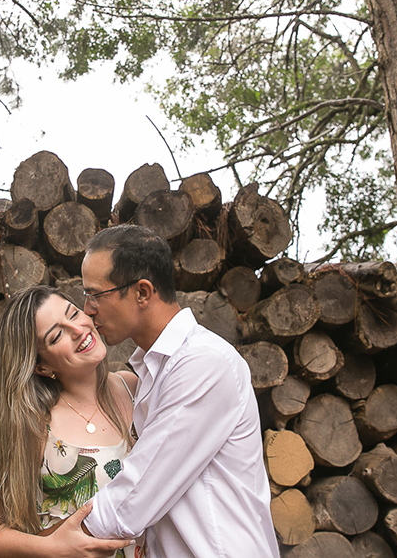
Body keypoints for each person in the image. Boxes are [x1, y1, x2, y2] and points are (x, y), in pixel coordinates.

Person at [75, 224, 281, 557]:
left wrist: (47, 544)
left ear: (142, 292)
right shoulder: (153, 369)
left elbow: (132, 499)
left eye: (96, 294)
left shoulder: (202, 363)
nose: (87, 309)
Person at [0, 284, 142, 558]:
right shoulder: (35, 424)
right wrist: (50, 548)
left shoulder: (134, 388)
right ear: (41, 366)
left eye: (73, 314)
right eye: (57, 335)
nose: (78, 330)